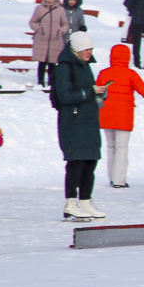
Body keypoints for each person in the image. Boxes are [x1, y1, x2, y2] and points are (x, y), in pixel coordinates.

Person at [53, 32, 106, 221]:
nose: (89, 52)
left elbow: (86, 91)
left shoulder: (85, 66)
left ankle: (85, 201)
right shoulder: (65, 68)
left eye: (91, 49)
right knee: (76, 163)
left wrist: (99, 94)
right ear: (76, 49)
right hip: (73, 123)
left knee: (90, 162)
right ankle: (71, 203)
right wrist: (89, 92)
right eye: (86, 49)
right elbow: (65, 96)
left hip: (89, 120)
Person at [96, 43, 144, 188]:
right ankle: (119, 180)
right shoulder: (130, 74)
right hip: (123, 116)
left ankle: (112, 178)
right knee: (122, 147)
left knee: (111, 146)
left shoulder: (104, 73)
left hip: (106, 114)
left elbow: (97, 93)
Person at [29, 0, 68, 89]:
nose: (49, 0)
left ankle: (51, 82)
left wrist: (61, 31)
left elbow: (66, 24)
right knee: (42, 63)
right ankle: (40, 82)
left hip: (55, 40)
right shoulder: (39, 9)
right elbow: (32, 22)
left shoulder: (60, 10)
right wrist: (39, 29)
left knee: (52, 63)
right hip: (42, 40)